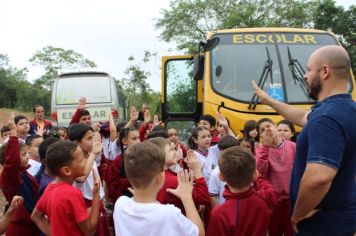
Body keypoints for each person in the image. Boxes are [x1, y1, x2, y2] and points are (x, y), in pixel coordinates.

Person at [252, 45, 356, 234]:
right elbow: (303, 117)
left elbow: (319, 178)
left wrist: (298, 214)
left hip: (322, 225)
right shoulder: (345, 109)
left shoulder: (326, 118)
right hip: (342, 218)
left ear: (325, 71)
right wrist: (269, 101)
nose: (305, 76)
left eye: (308, 70)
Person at [113, 142, 205, 236]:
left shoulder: (120, 204)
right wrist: (186, 197)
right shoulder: (169, 214)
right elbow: (199, 233)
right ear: (160, 177)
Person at [31, 140, 100, 236]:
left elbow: (36, 217)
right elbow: (89, 231)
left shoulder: (50, 187)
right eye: (81, 160)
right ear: (66, 170)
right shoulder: (72, 194)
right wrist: (96, 195)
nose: (86, 161)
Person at [207, 146, 277, 236]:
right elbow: (268, 188)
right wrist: (258, 177)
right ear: (254, 175)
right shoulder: (266, 197)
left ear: (221, 177)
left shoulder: (219, 213)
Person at [0, 112, 40, 236]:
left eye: (26, 153)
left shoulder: (25, 173)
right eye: (23, 154)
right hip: (21, 229)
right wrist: (13, 132)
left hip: (33, 226)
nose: (28, 157)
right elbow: (12, 161)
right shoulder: (10, 177)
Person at [255, 118, 296, 236]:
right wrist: (266, 147)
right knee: (275, 230)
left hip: (291, 198)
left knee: (291, 230)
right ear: (260, 135)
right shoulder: (261, 150)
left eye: (268, 126)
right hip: (273, 199)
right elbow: (260, 170)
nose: (267, 130)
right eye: (262, 130)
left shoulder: (292, 146)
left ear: (275, 127)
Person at [149, 137, 210, 215]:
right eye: (171, 150)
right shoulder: (171, 179)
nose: (175, 152)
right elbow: (203, 198)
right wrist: (197, 170)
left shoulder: (150, 175)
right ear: (159, 155)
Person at [68, 123, 109, 236]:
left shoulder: (89, 155)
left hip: (98, 202)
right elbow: (81, 177)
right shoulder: (75, 160)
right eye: (89, 138)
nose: (93, 142)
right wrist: (93, 154)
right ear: (76, 143)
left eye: (93, 137)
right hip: (88, 206)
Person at [208, 136, 239, 209]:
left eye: (229, 152)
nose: (226, 155)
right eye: (222, 151)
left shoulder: (243, 168)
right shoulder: (216, 173)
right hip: (225, 211)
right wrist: (216, 214)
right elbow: (213, 196)